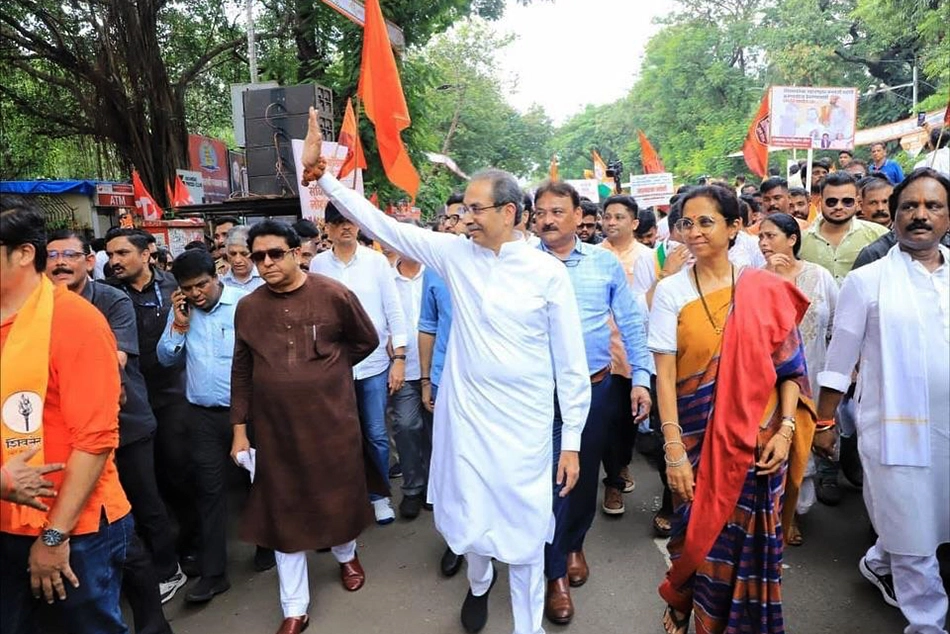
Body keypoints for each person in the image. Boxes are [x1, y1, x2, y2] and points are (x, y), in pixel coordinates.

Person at [301, 107, 590, 634]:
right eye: (464, 210)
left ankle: (527, 627)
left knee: (525, 529)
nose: (464, 218)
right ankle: (479, 585)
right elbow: (384, 225)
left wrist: (570, 441)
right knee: (471, 516)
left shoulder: (547, 273)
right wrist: (324, 178)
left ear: (509, 212)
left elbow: (571, 365)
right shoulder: (455, 255)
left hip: (526, 426)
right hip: (466, 419)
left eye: (475, 209)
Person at [649, 186, 815, 634]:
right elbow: (665, 375)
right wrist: (673, 451)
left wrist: (785, 431)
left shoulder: (763, 288)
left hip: (760, 442)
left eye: (706, 222)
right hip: (697, 440)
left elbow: (790, 370)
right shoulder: (670, 291)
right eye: (686, 223)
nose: (694, 232)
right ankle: (688, 603)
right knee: (697, 533)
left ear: (735, 226)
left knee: (750, 541)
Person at [230, 220, 383, 634]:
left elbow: (366, 340)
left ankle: (346, 555)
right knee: (283, 512)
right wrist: (239, 429)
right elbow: (242, 369)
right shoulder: (249, 307)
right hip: (274, 432)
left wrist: (330, 371)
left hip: (332, 423)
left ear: (297, 253)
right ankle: (294, 607)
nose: (265, 263)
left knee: (337, 499)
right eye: (258, 256)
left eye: (275, 254)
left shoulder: (333, 294)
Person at [814, 168, 949, 634]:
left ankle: (878, 560)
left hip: (947, 431)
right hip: (895, 430)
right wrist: (824, 423)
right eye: (909, 206)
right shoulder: (867, 281)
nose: (920, 215)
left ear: (948, 217)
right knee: (912, 532)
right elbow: (839, 360)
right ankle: (928, 624)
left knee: (927, 517)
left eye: (933, 206)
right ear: (893, 217)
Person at [1, 198, 133, 634]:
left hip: (75, 529)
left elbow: (96, 439)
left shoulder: (75, 321)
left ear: (23, 253)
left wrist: (54, 536)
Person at [45, 229, 177, 630]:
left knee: (139, 507)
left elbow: (114, 359)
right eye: (53, 256)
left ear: (89, 261)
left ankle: (167, 571)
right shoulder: (37, 309)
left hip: (126, 423)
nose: (60, 263)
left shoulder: (110, 300)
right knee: (106, 521)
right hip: (68, 437)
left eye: (70, 255)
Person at [534, 183, 652, 623]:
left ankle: (573, 544)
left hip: (592, 390)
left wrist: (641, 379)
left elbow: (631, 322)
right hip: (535, 395)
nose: (548, 219)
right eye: (540, 212)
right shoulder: (521, 263)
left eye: (557, 211)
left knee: (579, 478)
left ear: (578, 217)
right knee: (547, 480)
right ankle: (553, 572)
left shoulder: (603, 263)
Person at [105, 228, 198, 586]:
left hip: (172, 394)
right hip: (131, 399)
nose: (115, 261)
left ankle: (193, 544)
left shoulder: (175, 286)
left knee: (178, 472)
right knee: (145, 482)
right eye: (110, 255)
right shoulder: (109, 296)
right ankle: (160, 555)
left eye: (122, 253)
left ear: (146, 254)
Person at [310, 203, 408, 525]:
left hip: (375, 363)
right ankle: (348, 497)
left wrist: (399, 358)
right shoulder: (318, 265)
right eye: (338, 222)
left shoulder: (376, 262)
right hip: (335, 366)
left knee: (376, 433)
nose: (345, 227)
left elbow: (394, 310)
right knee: (340, 434)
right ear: (327, 228)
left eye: (350, 221)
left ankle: (379, 496)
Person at [157, 249, 245, 604]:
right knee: (209, 491)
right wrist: (179, 325)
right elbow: (166, 358)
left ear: (216, 276)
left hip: (246, 412)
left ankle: (269, 546)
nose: (196, 294)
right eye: (188, 288)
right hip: (203, 416)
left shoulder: (243, 305)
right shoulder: (182, 312)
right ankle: (213, 573)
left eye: (202, 285)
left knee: (258, 481)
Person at [758, 213, 838, 546]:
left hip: (814, 373)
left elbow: (835, 325)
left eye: (771, 236)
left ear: (792, 239)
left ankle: (793, 511)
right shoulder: (754, 278)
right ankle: (773, 511)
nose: (764, 243)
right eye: (760, 237)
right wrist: (770, 278)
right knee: (775, 437)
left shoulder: (819, 276)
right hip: (771, 378)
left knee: (804, 438)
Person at [598, 195, 653, 516]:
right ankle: (614, 481)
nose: (611, 222)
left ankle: (621, 464)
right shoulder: (593, 256)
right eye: (607, 216)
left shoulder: (647, 257)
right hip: (600, 353)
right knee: (606, 420)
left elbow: (651, 305)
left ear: (634, 223)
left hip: (633, 353)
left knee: (627, 419)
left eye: (619, 217)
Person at [389, 227, 432, 520]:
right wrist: (395, 357)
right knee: (406, 427)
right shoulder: (386, 277)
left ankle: (434, 487)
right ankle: (413, 488)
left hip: (436, 368)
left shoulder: (436, 273)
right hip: (403, 368)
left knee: (436, 432)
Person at [221, 226, 265, 291]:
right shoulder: (220, 280)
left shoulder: (265, 278)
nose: (237, 260)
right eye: (232, 254)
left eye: (244, 254)